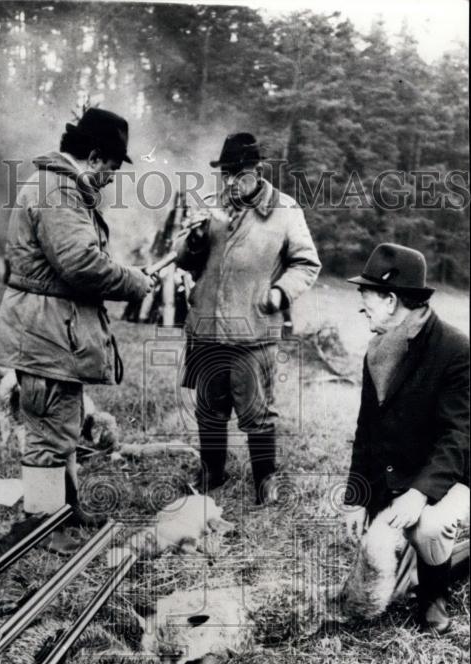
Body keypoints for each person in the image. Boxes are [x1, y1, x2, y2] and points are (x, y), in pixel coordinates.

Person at [0, 107, 154, 554]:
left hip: (51, 330)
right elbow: (81, 264)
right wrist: (137, 282)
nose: (113, 176)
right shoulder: (58, 191)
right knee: (47, 434)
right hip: (44, 332)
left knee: (61, 425)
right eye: (114, 167)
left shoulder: (59, 186)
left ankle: (66, 509)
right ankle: (42, 527)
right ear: (96, 156)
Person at [174, 132, 321, 503]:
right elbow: (184, 260)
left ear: (257, 171)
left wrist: (279, 293)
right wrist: (191, 241)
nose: (229, 180)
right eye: (225, 172)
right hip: (207, 327)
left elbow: (307, 263)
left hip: (253, 330)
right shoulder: (209, 206)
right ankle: (211, 473)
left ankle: (265, 481)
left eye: (238, 172)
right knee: (209, 409)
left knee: (257, 412)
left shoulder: (285, 210)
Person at [342, 243, 470, 634]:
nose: (362, 311)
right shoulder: (377, 350)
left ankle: (434, 598)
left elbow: (458, 436)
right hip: (398, 478)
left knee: (427, 529)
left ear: (392, 299)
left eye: (367, 302)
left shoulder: (455, 349)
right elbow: (367, 430)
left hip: (451, 476)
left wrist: (419, 494)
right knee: (378, 576)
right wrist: (357, 497)